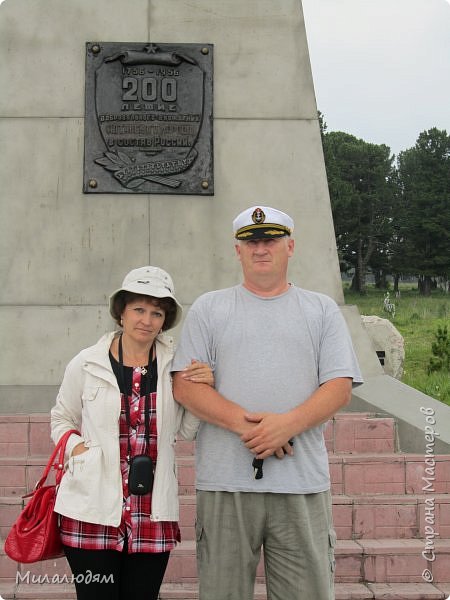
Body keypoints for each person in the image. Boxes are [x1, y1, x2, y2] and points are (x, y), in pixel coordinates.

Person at [172, 206, 363, 600]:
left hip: (301, 485)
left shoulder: (321, 310)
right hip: (225, 484)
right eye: (251, 241)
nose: (261, 249)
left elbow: (339, 385)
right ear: (237, 251)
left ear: (290, 246)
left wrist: (287, 425)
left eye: (270, 240)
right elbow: (186, 388)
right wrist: (254, 429)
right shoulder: (209, 309)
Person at [50, 266, 213, 600]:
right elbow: (61, 419)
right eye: (139, 309)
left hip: (152, 511)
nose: (147, 320)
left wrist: (202, 392)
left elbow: (185, 430)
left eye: (157, 313)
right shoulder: (86, 362)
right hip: (91, 509)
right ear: (121, 312)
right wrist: (80, 451)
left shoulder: (175, 364)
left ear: (165, 320)